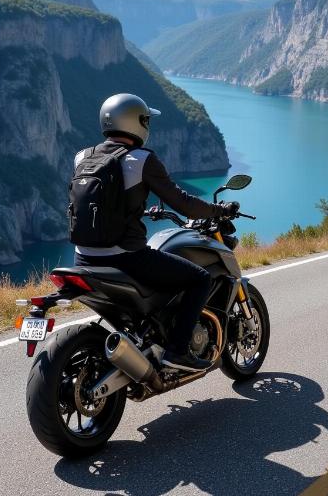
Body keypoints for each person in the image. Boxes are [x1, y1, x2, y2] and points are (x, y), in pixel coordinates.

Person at [73, 93, 238, 372]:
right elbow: (184, 204)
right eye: (146, 120)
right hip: (126, 257)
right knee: (198, 279)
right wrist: (218, 211)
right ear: (136, 123)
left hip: (83, 258)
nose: (148, 125)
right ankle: (177, 350)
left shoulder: (82, 157)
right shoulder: (141, 160)